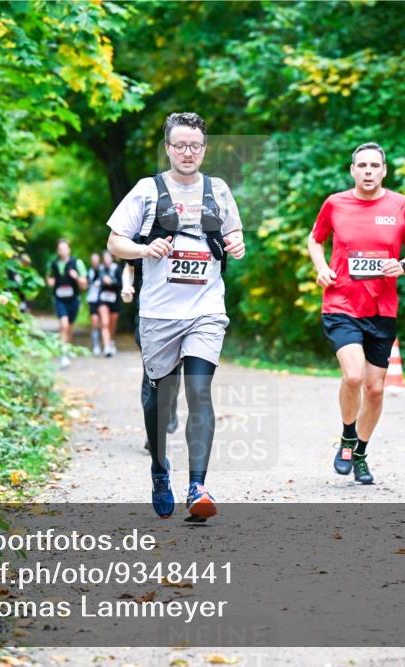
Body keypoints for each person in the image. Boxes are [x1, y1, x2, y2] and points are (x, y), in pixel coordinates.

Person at [107, 111, 245, 520]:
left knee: (199, 392)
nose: (188, 152)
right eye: (180, 145)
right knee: (159, 397)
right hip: (159, 314)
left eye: (196, 146)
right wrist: (143, 250)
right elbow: (116, 242)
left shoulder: (217, 190)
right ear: (168, 148)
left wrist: (236, 243)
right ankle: (159, 470)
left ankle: (197, 486)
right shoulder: (146, 191)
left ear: (205, 148)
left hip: (205, 310)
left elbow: (234, 233)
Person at [307, 142, 405, 484]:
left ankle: (359, 453)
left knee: (375, 389)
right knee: (354, 376)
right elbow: (315, 239)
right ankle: (347, 434)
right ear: (353, 170)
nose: (369, 171)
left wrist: (401, 265)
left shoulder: (400, 205)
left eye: (375, 165)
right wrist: (322, 268)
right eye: (362, 165)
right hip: (341, 304)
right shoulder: (335, 204)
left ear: (384, 170)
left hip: (382, 309)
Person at [122, 248, 181, 451]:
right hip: (147, 316)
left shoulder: (189, 233)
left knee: (174, 369)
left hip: (181, 315)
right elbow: (129, 266)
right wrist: (126, 287)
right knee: (151, 371)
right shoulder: (143, 236)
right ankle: (154, 430)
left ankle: (170, 410)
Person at [45, 238, 88, 369]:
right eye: (60, 248)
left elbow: (84, 285)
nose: (62, 251)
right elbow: (49, 278)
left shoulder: (77, 263)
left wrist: (76, 277)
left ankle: (67, 350)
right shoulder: (52, 264)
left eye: (65, 248)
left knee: (69, 328)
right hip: (59, 299)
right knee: (63, 325)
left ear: (69, 249)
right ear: (57, 250)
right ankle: (64, 355)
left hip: (73, 300)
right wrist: (50, 282)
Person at [96, 251, 123, 357]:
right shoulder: (100, 269)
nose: (107, 260)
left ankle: (111, 341)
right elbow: (94, 280)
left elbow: (121, 284)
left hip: (114, 300)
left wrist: (111, 282)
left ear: (111, 259)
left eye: (108, 258)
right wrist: (98, 282)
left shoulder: (117, 268)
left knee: (112, 324)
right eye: (105, 258)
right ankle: (106, 346)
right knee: (105, 323)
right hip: (103, 299)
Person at [86, 253, 103, 355]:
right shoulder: (89, 271)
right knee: (95, 322)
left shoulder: (103, 270)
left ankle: (105, 344)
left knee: (103, 323)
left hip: (102, 299)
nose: (95, 262)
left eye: (96, 260)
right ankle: (96, 345)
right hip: (92, 299)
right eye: (93, 260)